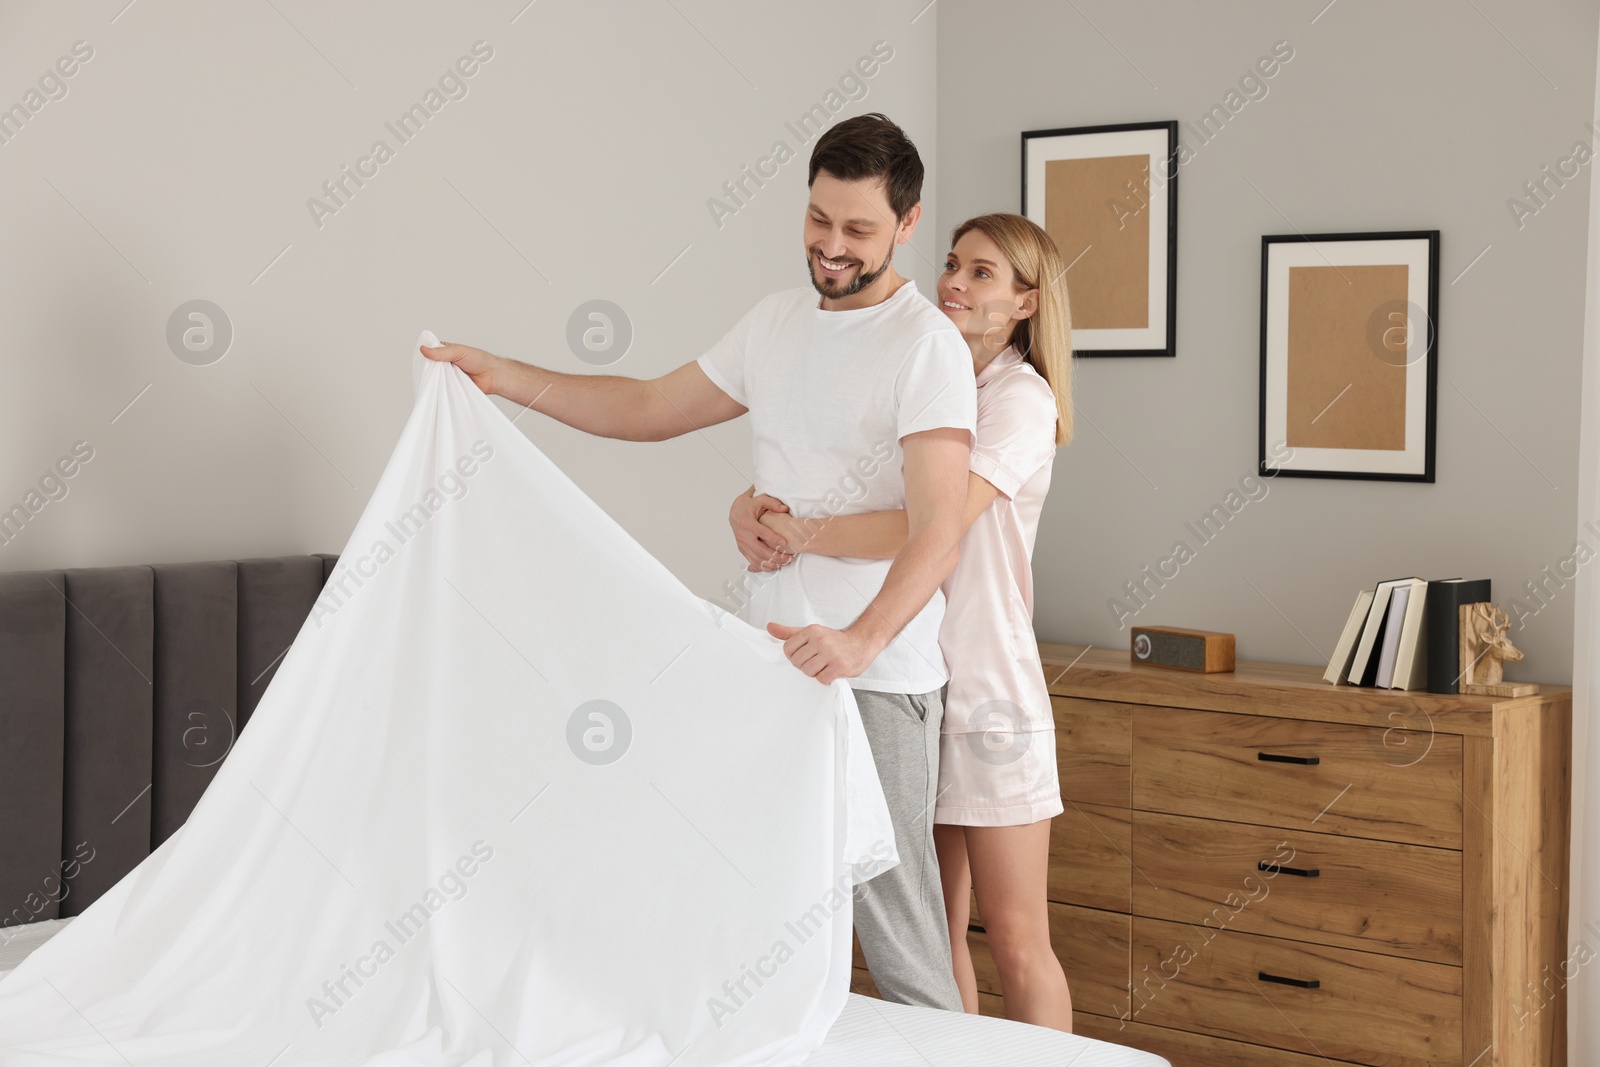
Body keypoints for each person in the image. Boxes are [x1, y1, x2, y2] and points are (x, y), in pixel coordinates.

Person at [422, 113, 971, 1013]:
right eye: (818, 220)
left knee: (900, 934)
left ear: (907, 225)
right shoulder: (775, 323)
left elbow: (940, 525)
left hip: (876, 678)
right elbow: (646, 406)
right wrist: (507, 378)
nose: (832, 246)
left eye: (859, 229)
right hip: (769, 670)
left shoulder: (925, 348)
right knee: (759, 911)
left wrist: (863, 640)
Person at [728, 213, 1075, 1029]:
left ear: (1027, 301)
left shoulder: (1021, 400)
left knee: (1019, 937)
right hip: (918, 678)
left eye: (983, 273)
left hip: (987, 694)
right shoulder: (939, 376)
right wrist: (751, 504)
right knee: (932, 928)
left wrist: (798, 531)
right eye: (954, 263)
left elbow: (936, 524)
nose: (955, 281)